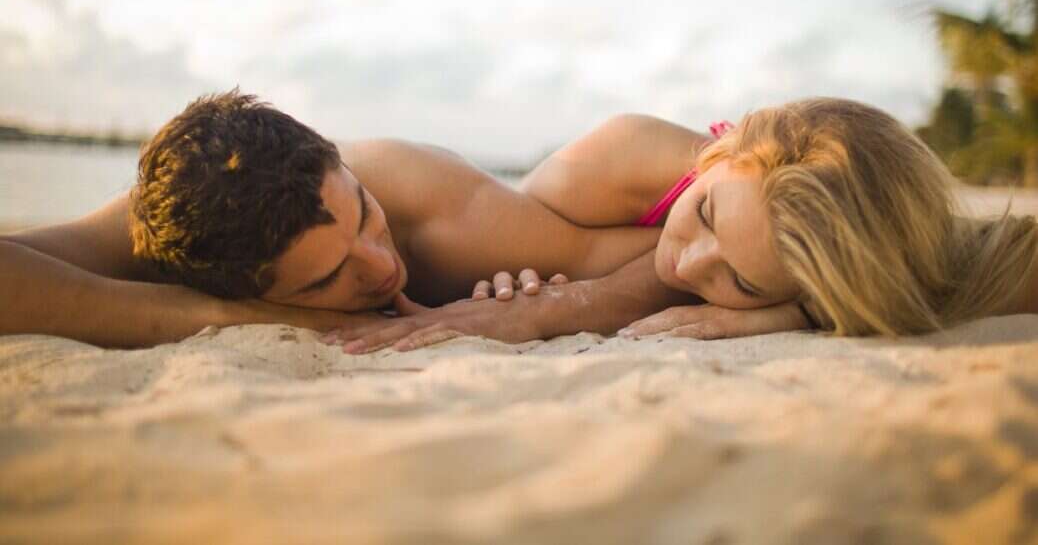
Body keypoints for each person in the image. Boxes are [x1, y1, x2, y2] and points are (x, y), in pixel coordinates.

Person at [327, 97, 1038, 353]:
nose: (689, 266)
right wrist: (554, 309)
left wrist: (795, 312)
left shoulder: (783, 242)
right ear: (721, 150)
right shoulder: (620, 155)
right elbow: (586, 285)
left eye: (740, 281)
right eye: (704, 215)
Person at [0, 90, 677, 348]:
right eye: (327, 279)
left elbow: (680, 254)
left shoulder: (428, 207)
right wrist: (246, 320)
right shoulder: (176, 221)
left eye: (364, 216)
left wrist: (546, 312)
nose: (383, 267)